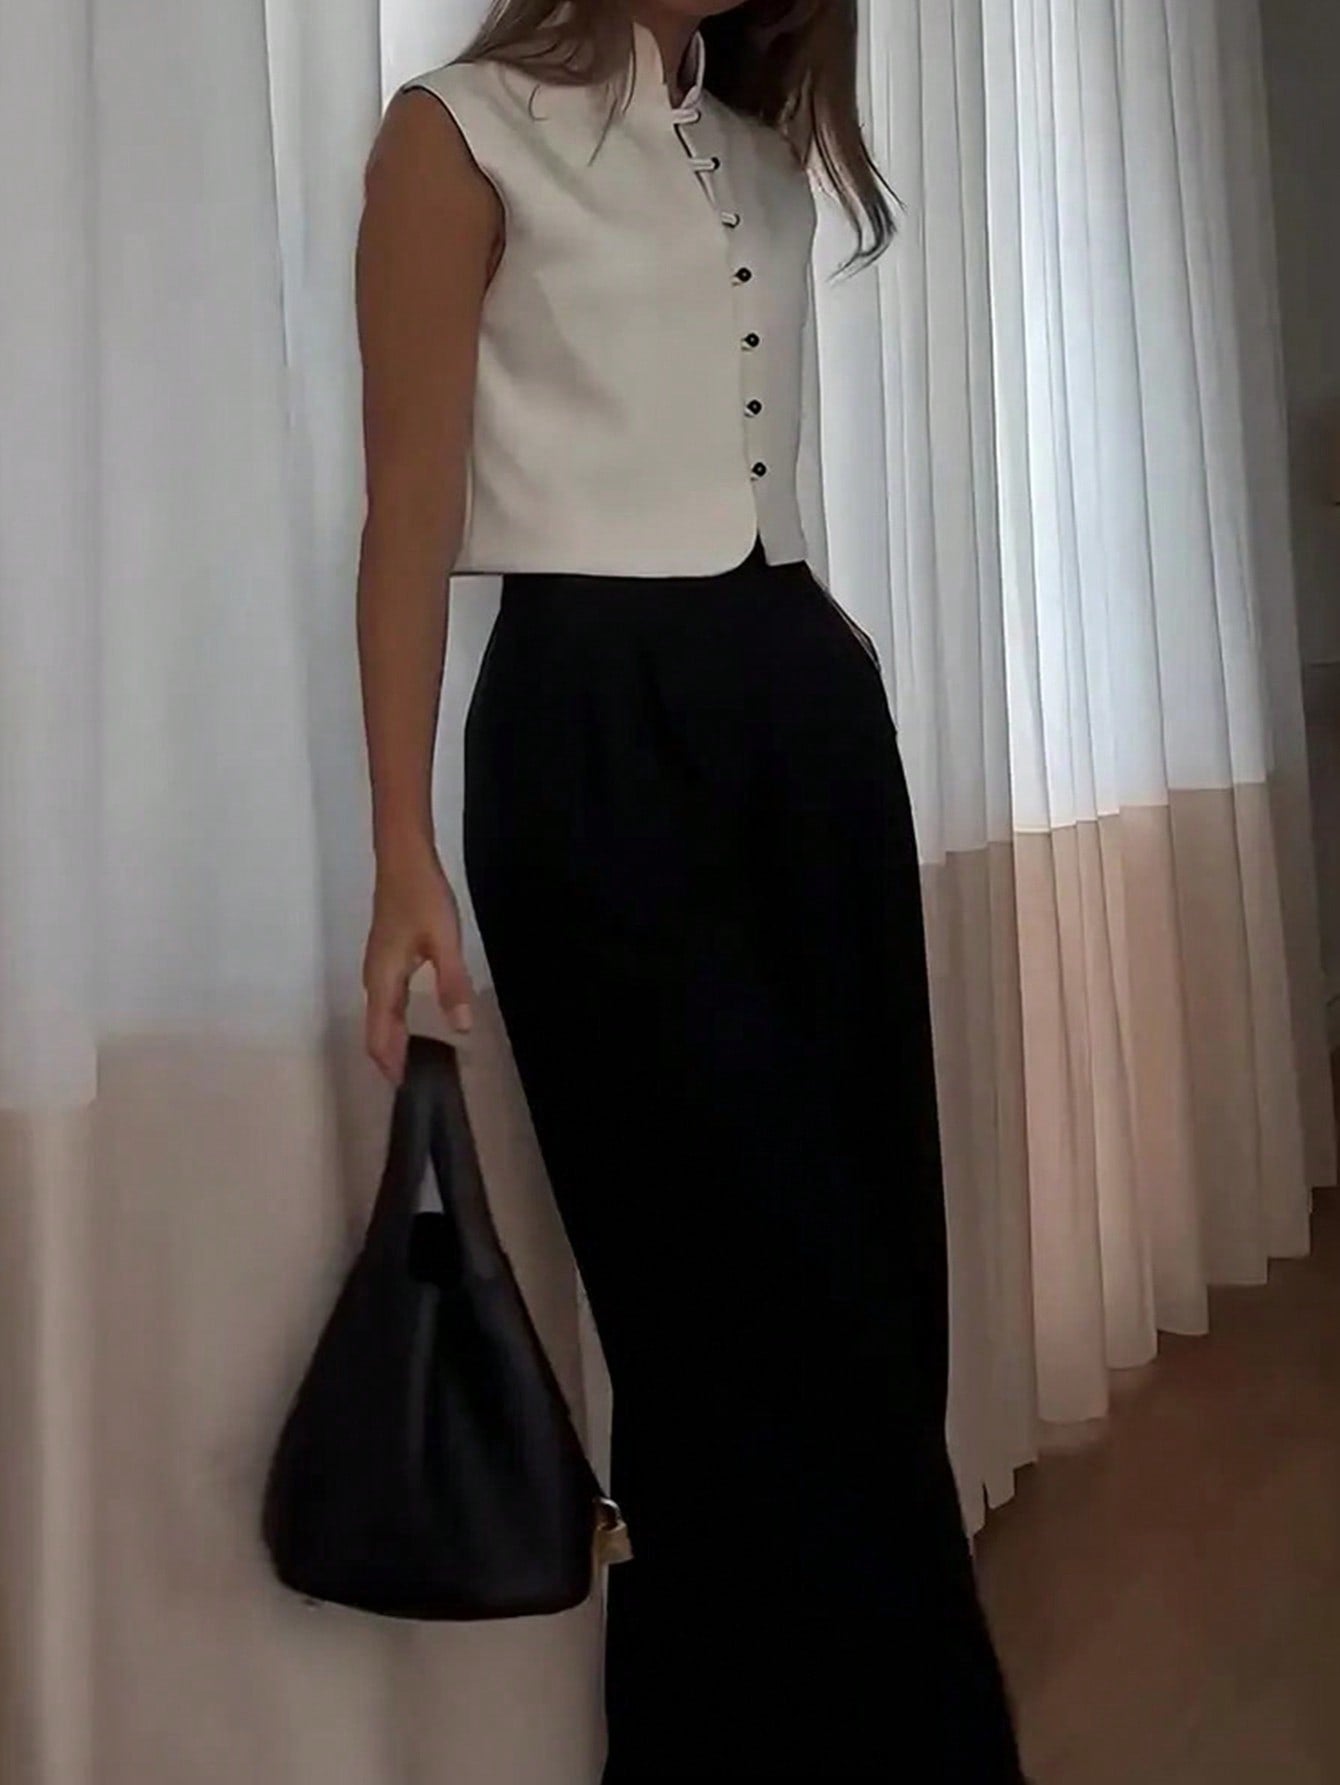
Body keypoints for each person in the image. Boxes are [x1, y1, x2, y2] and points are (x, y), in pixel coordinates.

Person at [355, 1, 1024, 1777]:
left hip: (803, 720)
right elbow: (407, 502)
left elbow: (744, 471)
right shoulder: (457, 129)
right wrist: (401, 843)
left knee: (873, 1286)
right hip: (594, 740)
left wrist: (818, 649)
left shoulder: (758, 158)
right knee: (720, 1307)